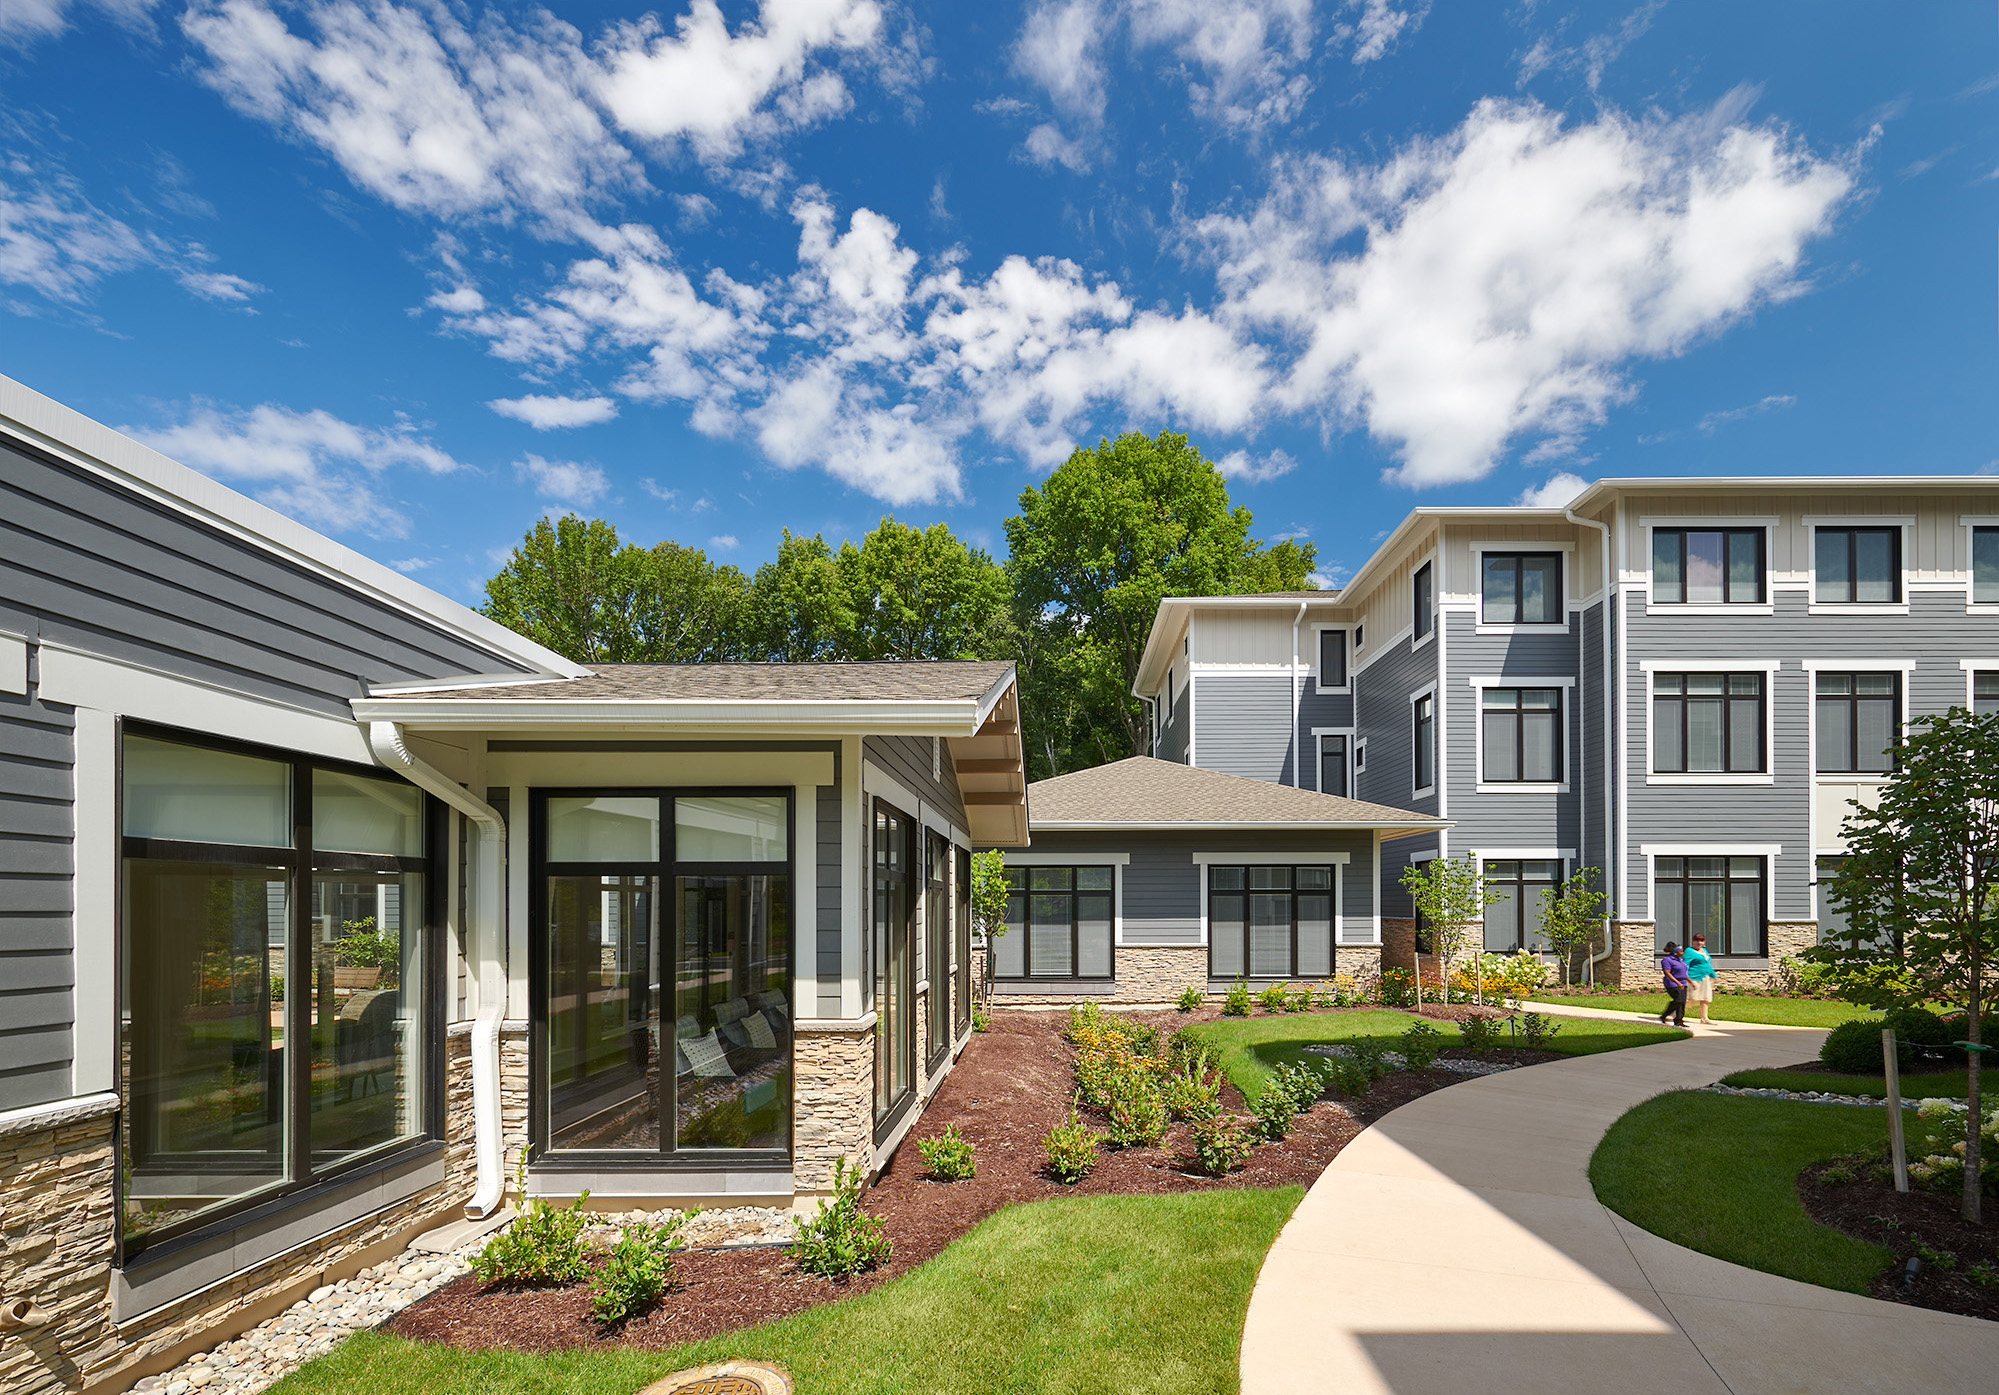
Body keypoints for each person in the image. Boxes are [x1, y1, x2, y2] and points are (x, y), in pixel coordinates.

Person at [1683, 933, 1716, 1026]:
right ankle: (1675, 1012)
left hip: (1705, 978)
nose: (1699, 942)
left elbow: (1707, 965)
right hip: (1694, 977)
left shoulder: (1704, 951)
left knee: (1705, 998)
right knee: (1691, 998)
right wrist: (1685, 977)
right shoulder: (1689, 951)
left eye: (1701, 940)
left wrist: (1713, 975)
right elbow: (1685, 965)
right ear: (1693, 941)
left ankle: (1704, 1018)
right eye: (1697, 940)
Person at [1658, 941, 1690, 1028]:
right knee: (1678, 1000)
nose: (1683, 953)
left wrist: (1690, 981)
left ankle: (1678, 1022)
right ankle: (1663, 1016)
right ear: (1675, 953)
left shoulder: (1680, 960)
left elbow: (1683, 972)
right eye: (1681, 951)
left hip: (1683, 984)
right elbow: (1667, 973)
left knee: (1682, 1003)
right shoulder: (1667, 960)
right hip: (1672, 984)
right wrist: (1678, 982)